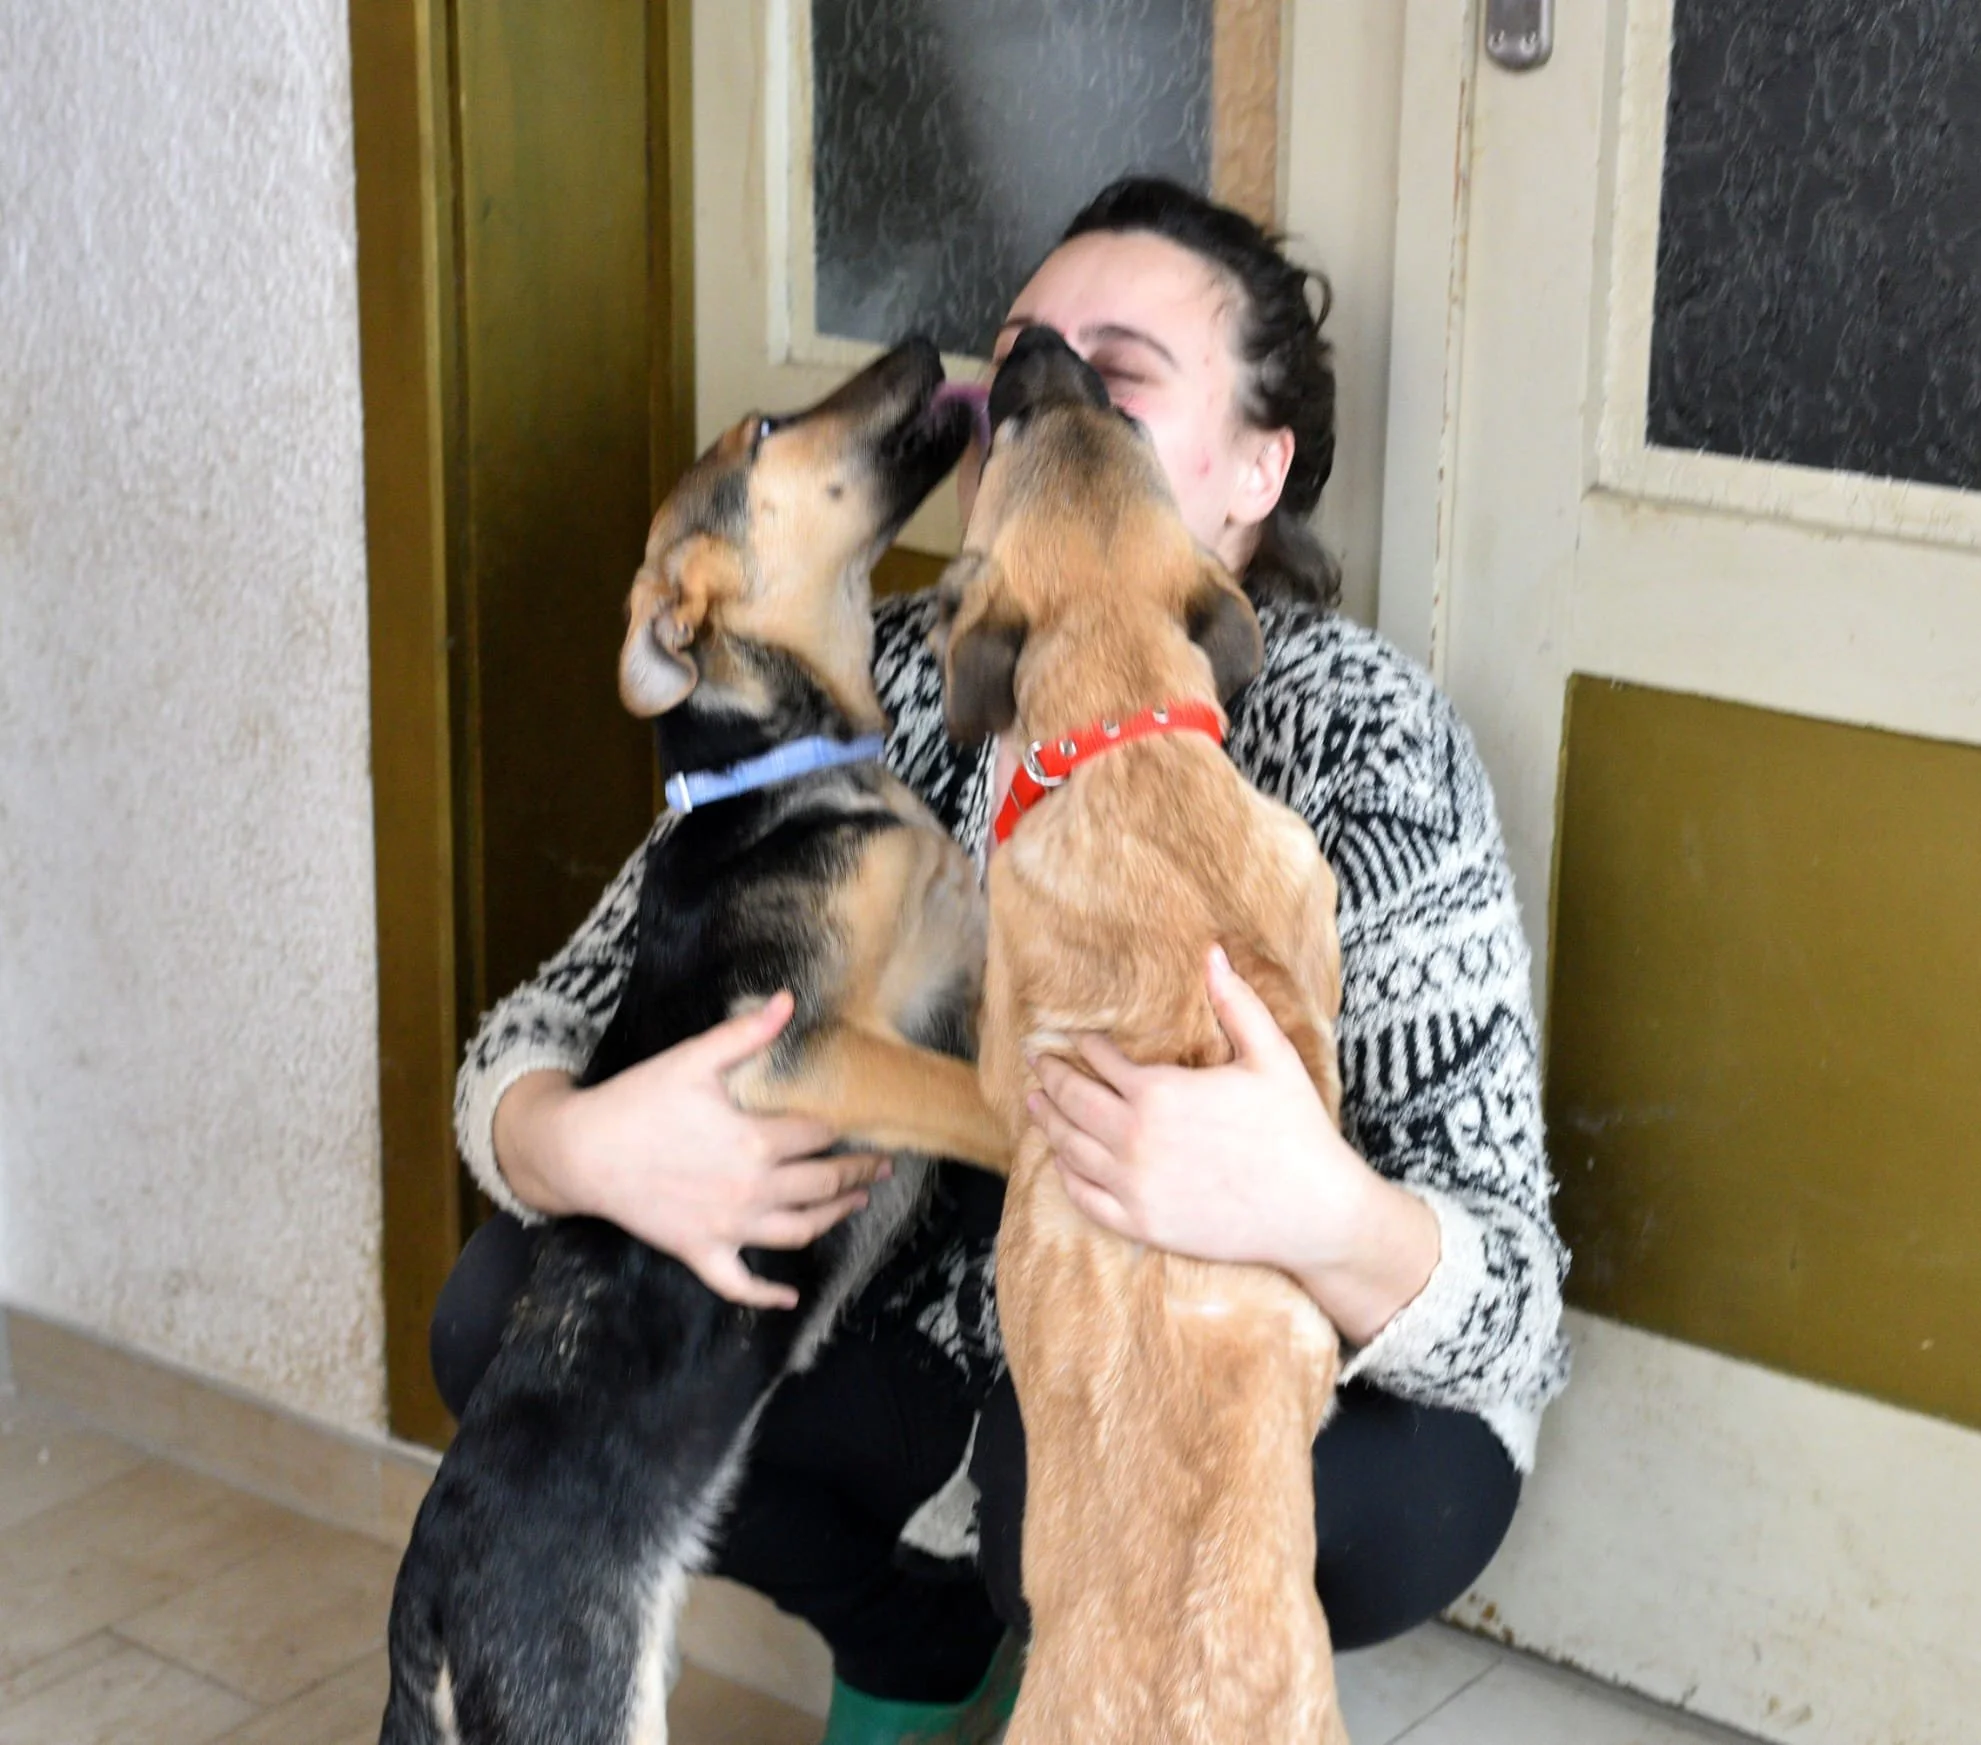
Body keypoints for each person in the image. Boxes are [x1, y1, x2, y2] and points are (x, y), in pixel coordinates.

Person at [434, 177, 1570, 1745]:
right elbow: (557, 1009)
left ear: (1257, 470)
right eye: (1020, 357)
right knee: (508, 1315)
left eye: (1116, 374)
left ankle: (1095, 1679)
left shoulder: (1362, 737)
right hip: (950, 1317)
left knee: (1087, 1439)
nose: (1036, 399)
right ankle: (910, 1639)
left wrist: (1315, 1205)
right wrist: (569, 1140)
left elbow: (1518, 1310)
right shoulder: (894, 664)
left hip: (1290, 1352)